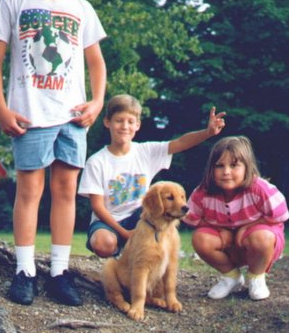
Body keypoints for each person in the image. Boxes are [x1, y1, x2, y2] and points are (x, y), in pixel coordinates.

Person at [0, 0, 107, 307]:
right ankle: (24, 271)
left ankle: (59, 271)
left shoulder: (80, 8)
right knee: (30, 191)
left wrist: (98, 101)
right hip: (30, 114)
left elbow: (97, 64)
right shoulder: (12, 3)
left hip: (72, 116)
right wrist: (1, 108)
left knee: (65, 192)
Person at [77, 94, 226, 258]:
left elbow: (181, 143)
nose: (124, 126)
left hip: (141, 216)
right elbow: (98, 207)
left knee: (164, 201)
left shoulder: (146, 151)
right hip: (108, 222)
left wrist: (207, 132)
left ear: (138, 125)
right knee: (103, 243)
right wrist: (126, 234)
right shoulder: (97, 161)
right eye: (119, 120)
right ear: (107, 122)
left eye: (130, 122)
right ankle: (120, 255)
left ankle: (167, 249)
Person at [184, 136, 289, 301]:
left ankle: (256, 277)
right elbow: (190, 217)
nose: (226, 172)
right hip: (228, 246)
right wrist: (221, 229)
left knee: (262, 237)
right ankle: (231, 276)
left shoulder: (259, 188)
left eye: (234, 165)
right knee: (200, 238)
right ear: (210, 169)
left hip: (257, 243)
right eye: (219, 166)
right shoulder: (203, 192)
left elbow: (281, 215)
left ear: (247, 167)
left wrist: (246, 228)